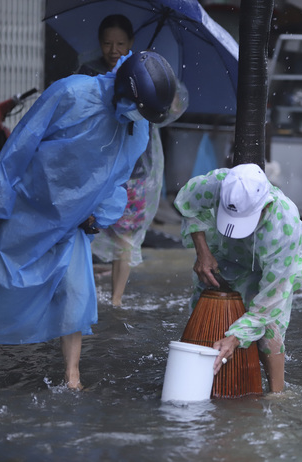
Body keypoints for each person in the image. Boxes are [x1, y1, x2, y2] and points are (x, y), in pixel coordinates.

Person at [0, 50, 177, 390]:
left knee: (76, 294)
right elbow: (22, 142)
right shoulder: (71, 92)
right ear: (124, 91)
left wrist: (99, 215)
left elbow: (117, 178)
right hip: (24, 206)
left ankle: (72, 376)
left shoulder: (138, 128)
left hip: (72, 218)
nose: (139, 117)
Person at [174, 163, 302, 393]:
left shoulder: (284, 225)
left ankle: (277, 394)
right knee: (206, 303)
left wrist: (235, 338)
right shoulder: (218, 185)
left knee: (269, 326)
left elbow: (268, 304)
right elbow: (188, 203)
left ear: (265, 205)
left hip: (275, 264)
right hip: (229, 250)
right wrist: (202, 252)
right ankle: (205, 383)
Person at [79, 14, 188, 307]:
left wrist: (153, 85)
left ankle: (115, 300)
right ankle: (81, 294)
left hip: (137, 170)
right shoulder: (88, 73)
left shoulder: (147, 72)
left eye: (120, 43)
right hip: (98, 166)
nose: (113, 50)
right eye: (107, 43)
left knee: (124, 238)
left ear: (131, 43)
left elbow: (168, 108)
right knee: (85, 228)